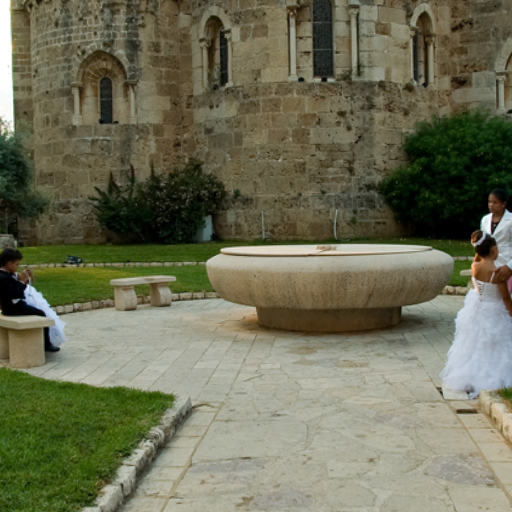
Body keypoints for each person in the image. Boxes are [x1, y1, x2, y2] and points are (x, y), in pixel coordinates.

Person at [440, 230, 512, 398]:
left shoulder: (475, 266)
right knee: (495, 346)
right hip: (495, 310)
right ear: (493, 249)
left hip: (478, 306)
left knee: (475, 344)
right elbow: (505, 298)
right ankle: (491, 376)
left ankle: (471, 375)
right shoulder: (497, 273)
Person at [0, 248, 61, 352]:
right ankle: (46, 344)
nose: (17, 267)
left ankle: (45, 341)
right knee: (41, 314)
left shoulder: (7, 274)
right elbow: (15, 293)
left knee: (39, 309)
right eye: (17, 264)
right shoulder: (3, 277)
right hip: (11, 308)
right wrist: (22, 282)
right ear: (9, 263)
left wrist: (25, 280)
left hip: (15, 305)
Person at [480, 189, 512, 288]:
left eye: (495, 202)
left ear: (503, 204)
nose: (491, 205)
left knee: (505, 293)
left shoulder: (511, 220)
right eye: (489, 202)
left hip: (506, 262)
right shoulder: (485, 219)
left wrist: (509, 266)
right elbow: (482, 243)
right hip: (489, 264)